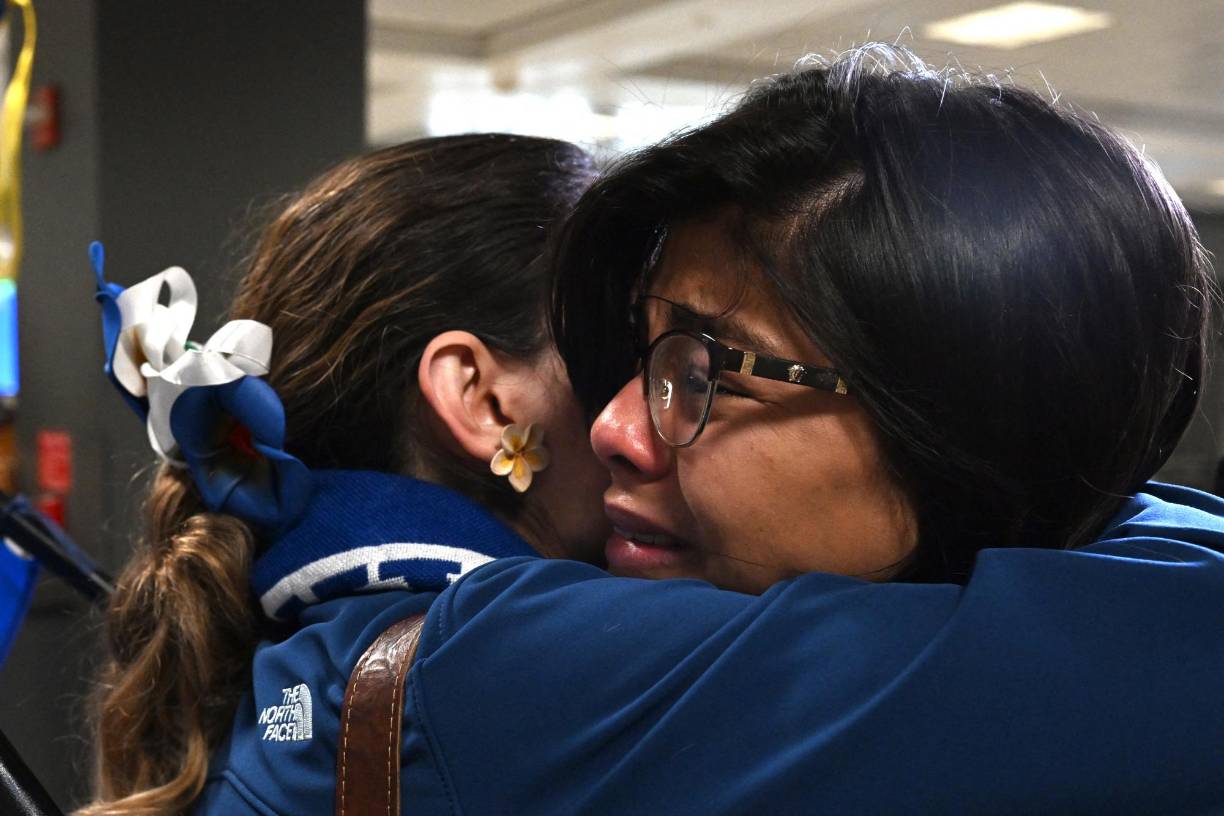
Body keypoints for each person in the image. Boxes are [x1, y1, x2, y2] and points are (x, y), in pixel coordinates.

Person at [88, 48, 1224, 815]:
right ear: (479, 402)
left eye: (693, 370)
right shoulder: (507, 668)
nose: (623, 428)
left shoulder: (328, 629)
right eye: (616, 366)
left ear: (953, 422)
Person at [79, 134, 608, 815]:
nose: (643, 409)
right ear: (483, 399)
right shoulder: (517, 657)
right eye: (614, 350)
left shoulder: (291, 644)